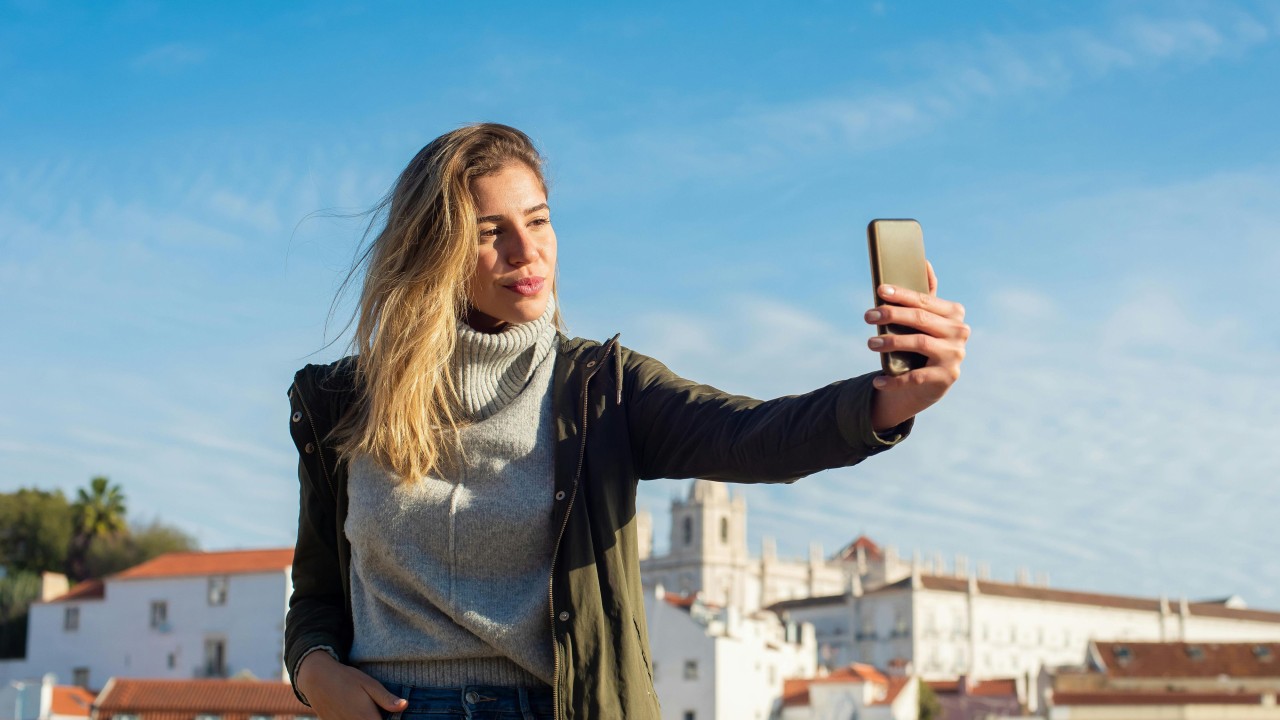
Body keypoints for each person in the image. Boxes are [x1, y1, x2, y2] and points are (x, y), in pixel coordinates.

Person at [284, 123, 968, 720]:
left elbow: (751, 436)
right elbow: (315, 591)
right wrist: (315, 676)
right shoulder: (338, 404)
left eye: (539, 220)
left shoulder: (604, 390)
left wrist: (892, 398)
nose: (528, 252)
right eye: (492, 233)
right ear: (435, 248)